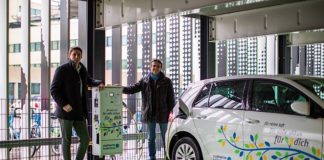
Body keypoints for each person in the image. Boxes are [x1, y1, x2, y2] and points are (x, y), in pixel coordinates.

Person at [50, 46, 104, 160]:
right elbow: (54, 90)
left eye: (79, 55)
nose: (76, 56)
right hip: (66, 112)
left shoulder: (82, 69)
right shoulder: (62, 69)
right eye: (74, 54)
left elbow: (89, 81)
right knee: (66, 140)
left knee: (85, 139)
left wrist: (100, 83)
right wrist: (64, 104)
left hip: (78, 112)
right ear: (69, 55)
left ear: (81, 56)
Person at [122, 59, 175, 160]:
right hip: (150, 114)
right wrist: (121, 88)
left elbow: (171, 99)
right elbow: (132, 89)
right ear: (151, 67)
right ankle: (152, 157)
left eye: (158, 66)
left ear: (161, 68)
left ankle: (167, 156)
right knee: (151, 138)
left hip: (163, 113)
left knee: (166, 137)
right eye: (154, 66)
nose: (155, 68)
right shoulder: (144, 80)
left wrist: (171, 113)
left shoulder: (167, 81)